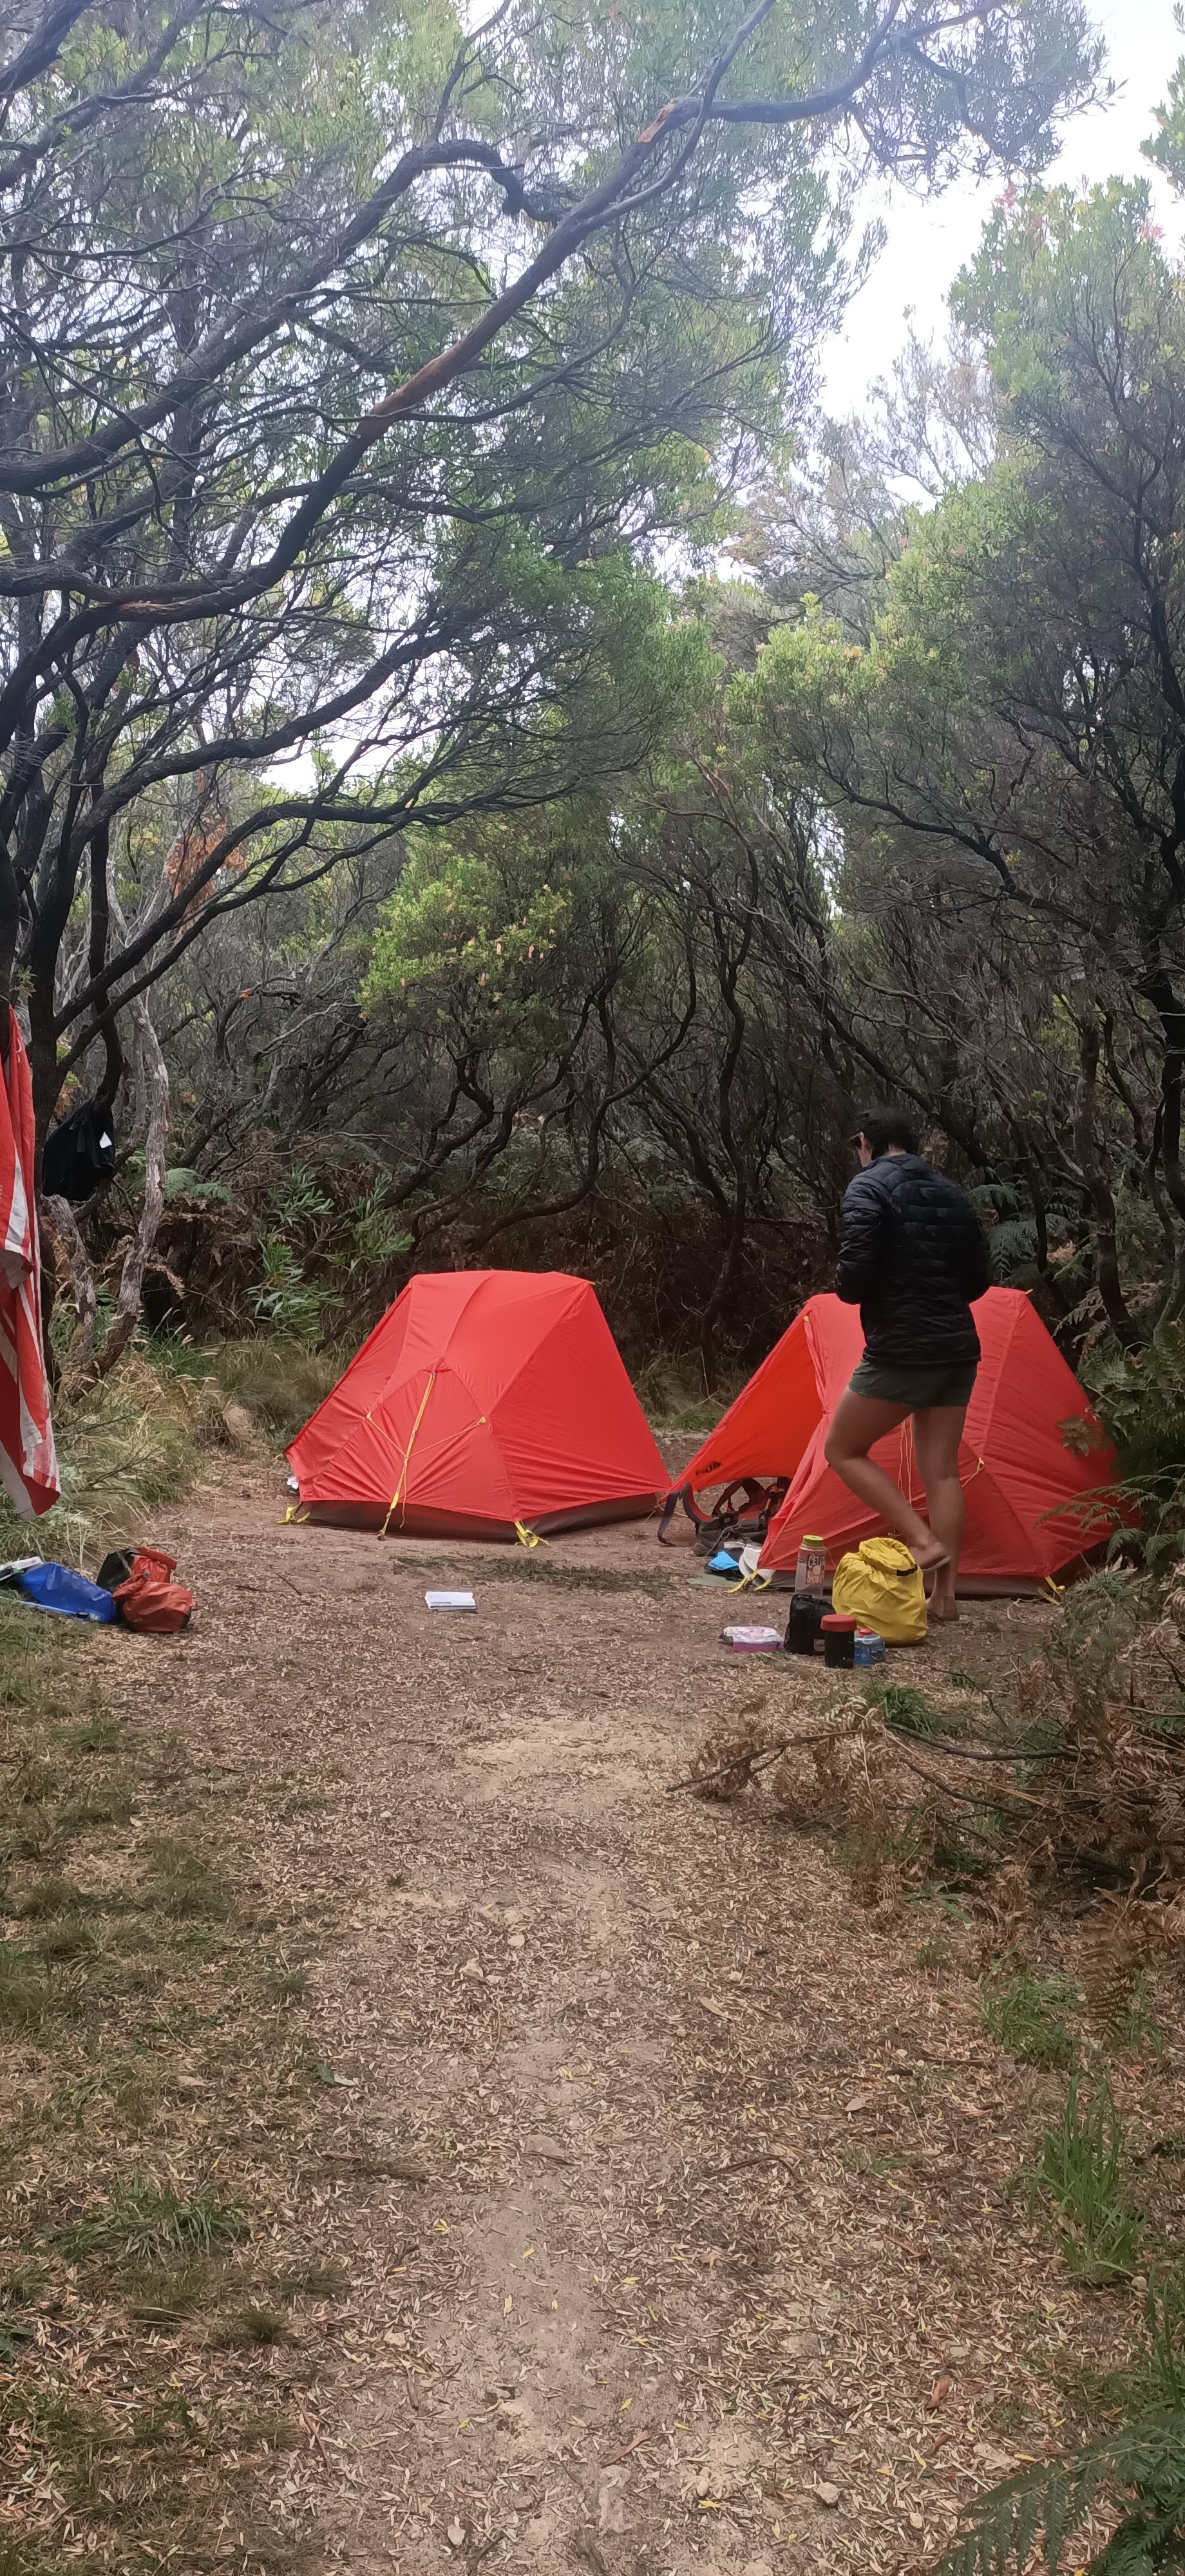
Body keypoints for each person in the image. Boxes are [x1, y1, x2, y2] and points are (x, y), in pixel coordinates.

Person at [823, 1106, 991, 1622]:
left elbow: (855, 1271)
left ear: (864, 1142)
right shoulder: (949, 1190)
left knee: (843, 1449)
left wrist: (852, 1288)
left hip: (902, 1348)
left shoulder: (867, 1186)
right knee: (941, 1472)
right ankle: (944, 1599)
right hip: (957, 1347)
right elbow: (979, 1278)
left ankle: (922, 1540)